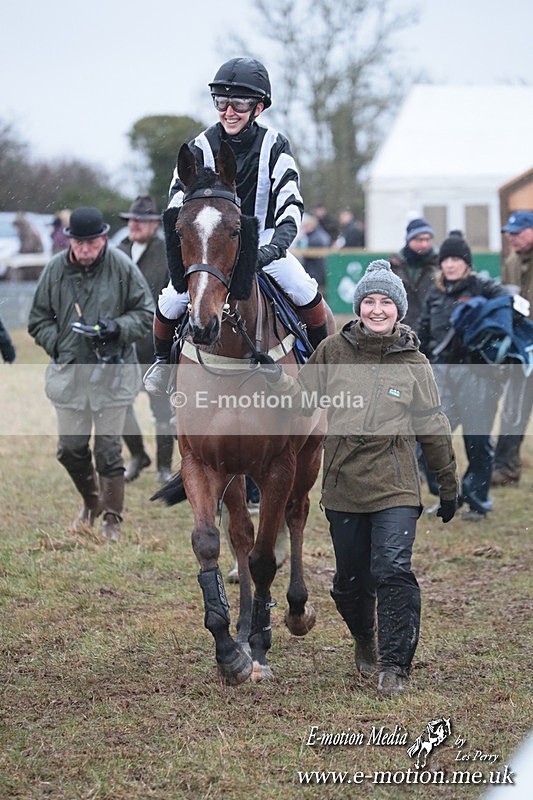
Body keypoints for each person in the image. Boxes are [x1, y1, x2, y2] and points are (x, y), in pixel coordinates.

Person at [260, 259, 459, 698]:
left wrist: (447, 484)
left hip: (396, 487)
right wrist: (274, 374)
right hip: (344, 487)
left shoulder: (415, 364)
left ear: (398, 309)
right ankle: (365, 637)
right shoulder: (332, 351)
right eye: (369, 301)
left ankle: (394, 665)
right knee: (349, 584)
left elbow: (433, 426)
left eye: (385, 302)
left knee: (392, 569)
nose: (376, 310)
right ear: (358, 306)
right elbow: (302, 399)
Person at [144, 57, 330, 395]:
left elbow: (291, 205)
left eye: (239, 103)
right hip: (210, 248)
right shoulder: (199, 146)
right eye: (222, 102)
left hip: (265, 244)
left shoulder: (276, 145)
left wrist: (274, 248)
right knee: (171, 299)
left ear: (258, 107)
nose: (229, 111)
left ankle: (325, 368)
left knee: (304, 290)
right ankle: (161, 362)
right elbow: (175, 207)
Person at [28, 207, 154, 541]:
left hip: (112, 372)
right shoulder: (55, 270)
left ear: (102, 239)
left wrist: (116, 328)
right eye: (79, 243)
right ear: (70, 241)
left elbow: (145, 312)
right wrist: (60, 346)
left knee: (108, 450)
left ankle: (112, 519)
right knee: (70, 449)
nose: (85, 250)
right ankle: (92, 501)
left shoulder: (121, 267)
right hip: (70, 374)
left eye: (92, 243)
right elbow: (37, 318)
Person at [416, 232, 507, 521]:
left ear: (466, 263)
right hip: (441, 374)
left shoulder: (483, 288)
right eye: (446, 260)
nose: (451, 265)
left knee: (477, 441)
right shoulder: (436, 292)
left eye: (456, 259)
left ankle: (477, 501)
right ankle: (448, 496)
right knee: (430, 438)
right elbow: (423, 331)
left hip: (477, 374)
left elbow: (509, 304)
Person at [116, 196, 175, 485]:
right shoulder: (119, 251)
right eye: (131, 219)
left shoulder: (166, 253)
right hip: (121, 342)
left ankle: (164, 465)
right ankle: (138, 454)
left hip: (154, 344)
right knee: (119, 402)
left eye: (140, 220)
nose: (134, 224)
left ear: (154, 224)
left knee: (162, 408)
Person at [492, 211, 533, 486]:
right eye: (510, 233)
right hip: (524, 345)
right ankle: (506, 468)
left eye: (518, 233)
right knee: (514, 407)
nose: (513, 238)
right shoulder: (511, 261)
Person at [389, 217, 438, 329]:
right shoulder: (394, 266)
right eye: (420, 240)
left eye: (427, 239)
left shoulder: (439, 265)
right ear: (408, 240)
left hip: (431, 330)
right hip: (400, 331)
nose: (424, 244)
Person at [297, 213, 331, 296]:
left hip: (315, 271)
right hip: (316, 270)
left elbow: (306, 252)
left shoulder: (315, 238)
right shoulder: (316, 236)